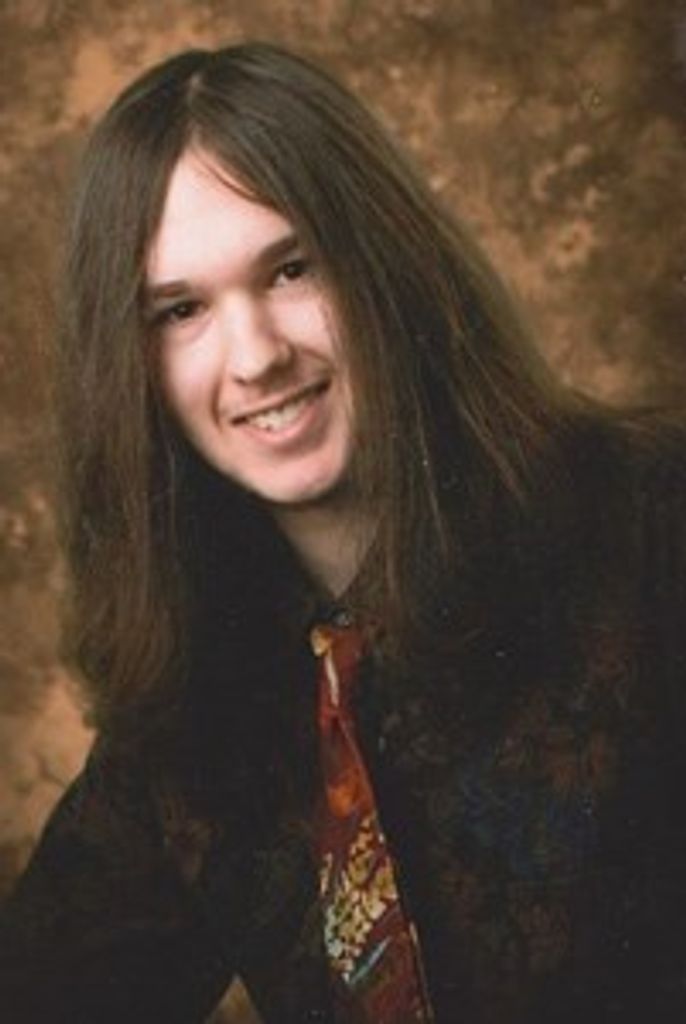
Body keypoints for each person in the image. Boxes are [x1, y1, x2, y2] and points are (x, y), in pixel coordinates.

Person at [1, 41, 685, 1024]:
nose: (256, 358)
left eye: (290, 269)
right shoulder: (190, 706)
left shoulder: (651, 517)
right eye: (181, 310)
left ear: (385, 263)